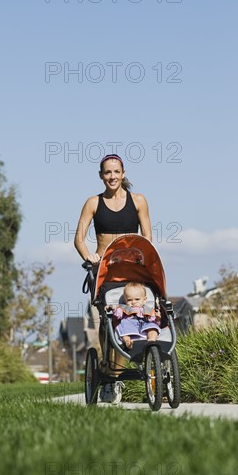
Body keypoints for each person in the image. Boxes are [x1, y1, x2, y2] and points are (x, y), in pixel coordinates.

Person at [74, 154, 153, 404]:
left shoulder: (138, 201)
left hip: (132, 271)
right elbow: (79, 238)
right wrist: (90, 256)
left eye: (116, 172)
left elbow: (148, 239)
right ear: (101, 175)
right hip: (105, 270)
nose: (112, 177)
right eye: (107, 173)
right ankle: (107, 367)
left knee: (129, 315)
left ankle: (115, 375)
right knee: (107, 320)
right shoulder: (93, 203)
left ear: (123, 173)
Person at [112, 282, 161, 349]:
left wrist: (157, 319)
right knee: (122, 326)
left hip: (145, 324)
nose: (133, 302)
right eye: (129, 300)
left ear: (144, 300)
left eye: (137, 299)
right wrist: (114, 309)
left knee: (153, 327)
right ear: (125, 300)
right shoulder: (124, 308)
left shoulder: (148, 310)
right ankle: (127, 341)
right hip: (130, 325)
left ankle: (152, 340)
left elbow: (154, 322)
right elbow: (118, 316)